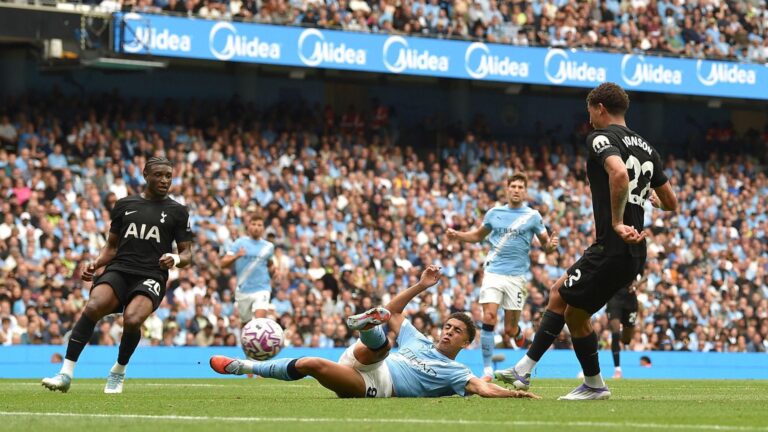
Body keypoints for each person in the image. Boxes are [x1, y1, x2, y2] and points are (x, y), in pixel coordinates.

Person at [495, 82, 678, 400]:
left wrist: (619, 222)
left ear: (600, 109)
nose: (589, 118)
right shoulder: (647, 148)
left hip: (613, 245)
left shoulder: (600, 137)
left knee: (563, 301)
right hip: (634, 252)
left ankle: (577, 382)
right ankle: (528, 372)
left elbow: (619, 174)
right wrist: (645, 198)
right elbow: (671, 201)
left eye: (590, 111)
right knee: (568, 306)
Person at [210, 265, 540, 399]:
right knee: (381, 343)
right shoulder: (418, 339)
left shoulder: (457, 371)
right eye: (447, 327)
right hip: (369, 360)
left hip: (377, 385)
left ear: (466, 343)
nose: (448, 333)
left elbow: (483, 389)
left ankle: (244, 366)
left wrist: (515, 394)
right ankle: (369, 327)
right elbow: (395, 312)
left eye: (456, 332)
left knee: (312, 363)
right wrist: (421, 286)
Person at [42, 157, 193, 394]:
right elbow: (111, 247)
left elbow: (187, 254)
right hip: (120, 269)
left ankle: (118, 371)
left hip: (151, 275)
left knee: (132, 320)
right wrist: (96, 263)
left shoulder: (177, 211)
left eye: (168, 176)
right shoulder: (124, 204)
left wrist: (174, 259)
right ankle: (65, 374)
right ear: (145, 175)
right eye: (159, 175)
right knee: (93, 306)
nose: (164, 180)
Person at [446, 173, 558, 381]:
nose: (516, 190)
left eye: (520, 187)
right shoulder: (494, 213)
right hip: (493, 272)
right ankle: (487, 369)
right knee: (488, 317)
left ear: (525, 191)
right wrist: (458, 235)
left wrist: (550, 247)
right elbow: (477, 236)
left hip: (516, 277)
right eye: (513, 186)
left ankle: (517, 335)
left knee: (509, 329)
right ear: (507, 189)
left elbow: (545, 245)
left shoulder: (533, 216)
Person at [220, 211, 275, 324]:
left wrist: (274, 271)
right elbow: (223, 263)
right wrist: (237, 256)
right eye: (254, 224)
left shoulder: (268, 247)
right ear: (248, 226)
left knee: (259, 322)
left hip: (262, 288)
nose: (256, 227)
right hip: (243, 289)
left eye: (259, 225)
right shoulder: (239, 243)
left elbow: (270, 262)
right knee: (246, 325)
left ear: (263, 228)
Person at [607, 274, 643, 379]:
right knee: (615, 331)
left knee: (626, 340)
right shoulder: (611, 259)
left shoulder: (636, 257)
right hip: (614, 298)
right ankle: (617, 369)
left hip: (630, 300)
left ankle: (623, 332)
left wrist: (637, 283)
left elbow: (644, 276)